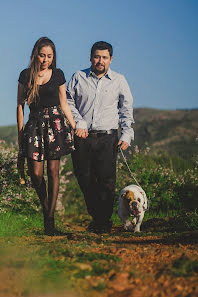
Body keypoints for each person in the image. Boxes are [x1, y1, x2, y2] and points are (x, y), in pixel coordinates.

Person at [66, 41, 134, 234]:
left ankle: (103, 223)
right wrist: (78, 122)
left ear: (111, 59)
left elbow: (126, 110)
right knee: (85, 179)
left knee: (106, 181)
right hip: (82, 137)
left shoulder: (119, 80)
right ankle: (97, 218)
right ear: (90, 57)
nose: (100, 61)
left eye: (104, 57)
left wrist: (127, 134)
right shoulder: (78, 77)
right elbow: (67, 101)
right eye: (97, 56)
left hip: (107, 137)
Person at [17, 37, 76, 235]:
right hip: (34, 126)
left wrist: (75, 126)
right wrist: (20, 134)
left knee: (53, 171)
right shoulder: (25, 76)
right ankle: (46, 209)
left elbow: (64, 104)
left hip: (55, 125)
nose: (45, 60)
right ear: (35, 55)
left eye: (49, 56)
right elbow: (19, 106)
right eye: (42, 55)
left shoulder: (58, 74)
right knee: (35, 174)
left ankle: (49, 220)